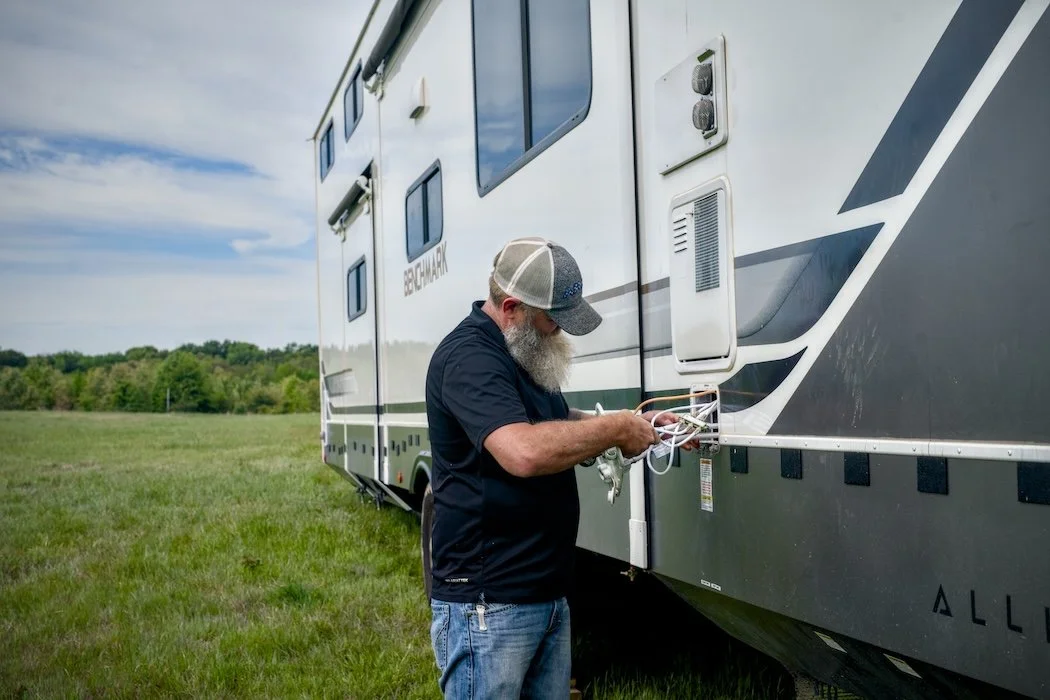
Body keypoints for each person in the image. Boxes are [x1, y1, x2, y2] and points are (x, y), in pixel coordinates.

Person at [424, 237, 680, 699]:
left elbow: (555, 423)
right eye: (552, 320)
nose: (558, 332)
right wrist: (614, 430)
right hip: (490, 603)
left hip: (542, 591)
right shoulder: (469, 358)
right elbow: (523, 450)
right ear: (511, 308)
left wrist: (633, 423)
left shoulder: (520, 352)